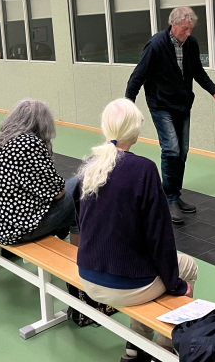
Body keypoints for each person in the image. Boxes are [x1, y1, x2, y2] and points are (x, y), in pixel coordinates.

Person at [74, 98, 198, 362]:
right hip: (127, 284)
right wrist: (177, 285)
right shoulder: (144, 169)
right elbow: (160, 238)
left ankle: (135, 349)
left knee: (140, 265)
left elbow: (82, 223)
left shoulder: (89, 167)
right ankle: (163, 350)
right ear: (136, 129)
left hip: (87, 277)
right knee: (187, 266)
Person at [125, 6, 215, 224]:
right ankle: (168, 198)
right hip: (161, 105)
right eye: (185, 29)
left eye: (190, 29)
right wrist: (128, 106)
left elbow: (197, 71)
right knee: (171, 148)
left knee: (182, 151)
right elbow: (137, 76)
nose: (188, 33)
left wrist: (214, 91)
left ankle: (175, 194)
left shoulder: (191, 44)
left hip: (182, 105)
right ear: (173, 24)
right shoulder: (156, 45)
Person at [0, 99, 78, 247]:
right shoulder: (30, 144)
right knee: (82, 186)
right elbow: (58, 192)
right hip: (18, 231)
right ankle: (79, 256)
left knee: (75, 197)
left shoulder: (2, 139)